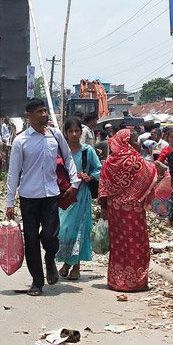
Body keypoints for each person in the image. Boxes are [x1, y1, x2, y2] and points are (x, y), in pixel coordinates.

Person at [6, 98, 80, 296]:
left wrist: (75, 183)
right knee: (31, 239)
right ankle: (37, 282)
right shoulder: (21, 141)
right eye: (39, 112)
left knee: (49, 235)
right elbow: (13, 173)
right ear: (29, 116)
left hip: (51, 195)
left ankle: (50, 258)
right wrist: (9, 202)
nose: (44, 115)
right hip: (28, 196)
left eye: (45, 111)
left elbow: (68, 159)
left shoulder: (55, 136)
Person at [99, 129, 164, 292]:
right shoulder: (135, 160)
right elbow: (150, 175)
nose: (137, 144)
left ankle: (118, 281)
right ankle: (136, 282)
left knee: (119, 245)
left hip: (115, 210)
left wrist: (104, 208)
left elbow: (103, 187)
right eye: (135, 141)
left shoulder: (109, 161)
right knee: (137, 243)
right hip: (133, 210)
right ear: (128, 142)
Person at [56, 117, 102, 281]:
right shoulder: (61, 151)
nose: (74, 134)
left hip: (82, 196)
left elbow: (99, 170)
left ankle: (75, 267)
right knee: (63, 231)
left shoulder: (87, 151)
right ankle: (67, 263)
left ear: (81, 132)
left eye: (77, 131)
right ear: (66, 133)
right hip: (64, 196)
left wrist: (89, 177)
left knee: (78, 231)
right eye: (70, 131)